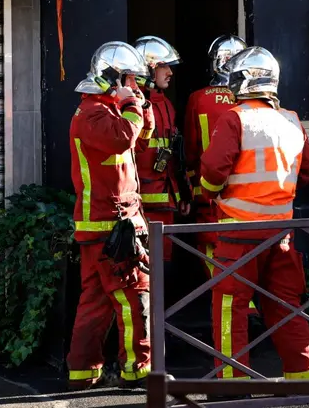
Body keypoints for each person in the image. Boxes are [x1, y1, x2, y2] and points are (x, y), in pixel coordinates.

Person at [199, 46, 309, 384]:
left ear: (246, 81)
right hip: (281, 232)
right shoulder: (292, 119)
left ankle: (232, 383)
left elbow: (211, 172)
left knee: (230, 309)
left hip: (238, 235)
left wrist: (212, 192)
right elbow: (306, 173)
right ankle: (303, 376)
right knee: (286, 305)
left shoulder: (234, 118)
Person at [65, 41, 156, 390]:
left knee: (97, 302)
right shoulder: (93, 113)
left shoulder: (107, 109)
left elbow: (141, 139)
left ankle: (83, 371)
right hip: (111, 225)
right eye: (130, 79)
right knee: (134, 295)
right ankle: (139, 370)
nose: (135, 86)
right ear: (114, 78)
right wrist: (132, 103)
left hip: (107, 224)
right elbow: (122, 139)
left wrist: (138, 104)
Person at [184, 34, 247, 277]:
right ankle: (246, 305)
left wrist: (189, 181)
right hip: (247, 193)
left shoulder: (198, 99)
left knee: (212, 246)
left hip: (208, 191)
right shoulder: (251, 100)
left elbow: (191, 148)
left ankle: (225, 296)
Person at [132, 36, 191, 270]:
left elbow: (175, 153)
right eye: (165, 66)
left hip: (166, 201)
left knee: (163, 266)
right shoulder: (132, 103)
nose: (170, 73)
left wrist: (183, 192)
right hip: (141, 205)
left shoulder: (165, 104)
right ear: (149, 68)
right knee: (143, 268)